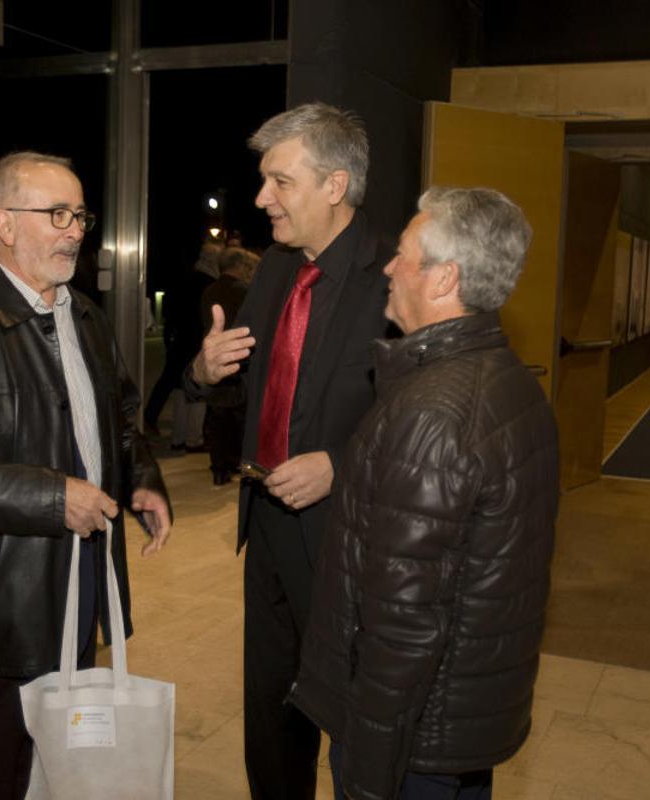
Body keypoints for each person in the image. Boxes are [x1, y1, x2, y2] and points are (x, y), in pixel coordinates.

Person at [0, 151, 173, 800]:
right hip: (0, 606)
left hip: (82, 584)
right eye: (57, 214)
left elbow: (121, 414)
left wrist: (142, 478)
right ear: (3, 223)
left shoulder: (86, 317)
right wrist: (53, 498)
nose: (75, 230)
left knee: (61, 767)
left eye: (79, 215)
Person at [289, 186, 558, 800]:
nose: (388, 267)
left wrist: (366, 772)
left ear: (444, 278)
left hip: (414, 741)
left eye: (404, 254)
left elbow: (402, 624)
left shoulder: (433, 415)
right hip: (461, 722)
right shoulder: (509, 381)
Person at [187, 102, 396, 799]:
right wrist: (206, 371)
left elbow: (425, 422)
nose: (261, 198)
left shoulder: (396, 276)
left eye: (280, 181)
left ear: (335, 185)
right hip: (268, 523)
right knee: (273, 717)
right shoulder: (277, 270)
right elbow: (244, 384)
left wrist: (340, 465)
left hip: (350, 538)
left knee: (357, 721)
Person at [144, 240, 220, 447]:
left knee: (177, 386)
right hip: (197, 343)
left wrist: (170, 337)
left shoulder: (186, 279)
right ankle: (193, 439)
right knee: (197, 387)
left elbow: (171, 312)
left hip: (179, 341)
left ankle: (176, 437)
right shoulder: (211, 285)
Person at [200, 246, 258, 484]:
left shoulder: (209, 290)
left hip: (214, 359)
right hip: (239, 362)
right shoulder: (243, 291)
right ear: (240, 266)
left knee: (218, 416)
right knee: (239, 417)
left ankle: (219, 468)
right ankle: (236, 464)